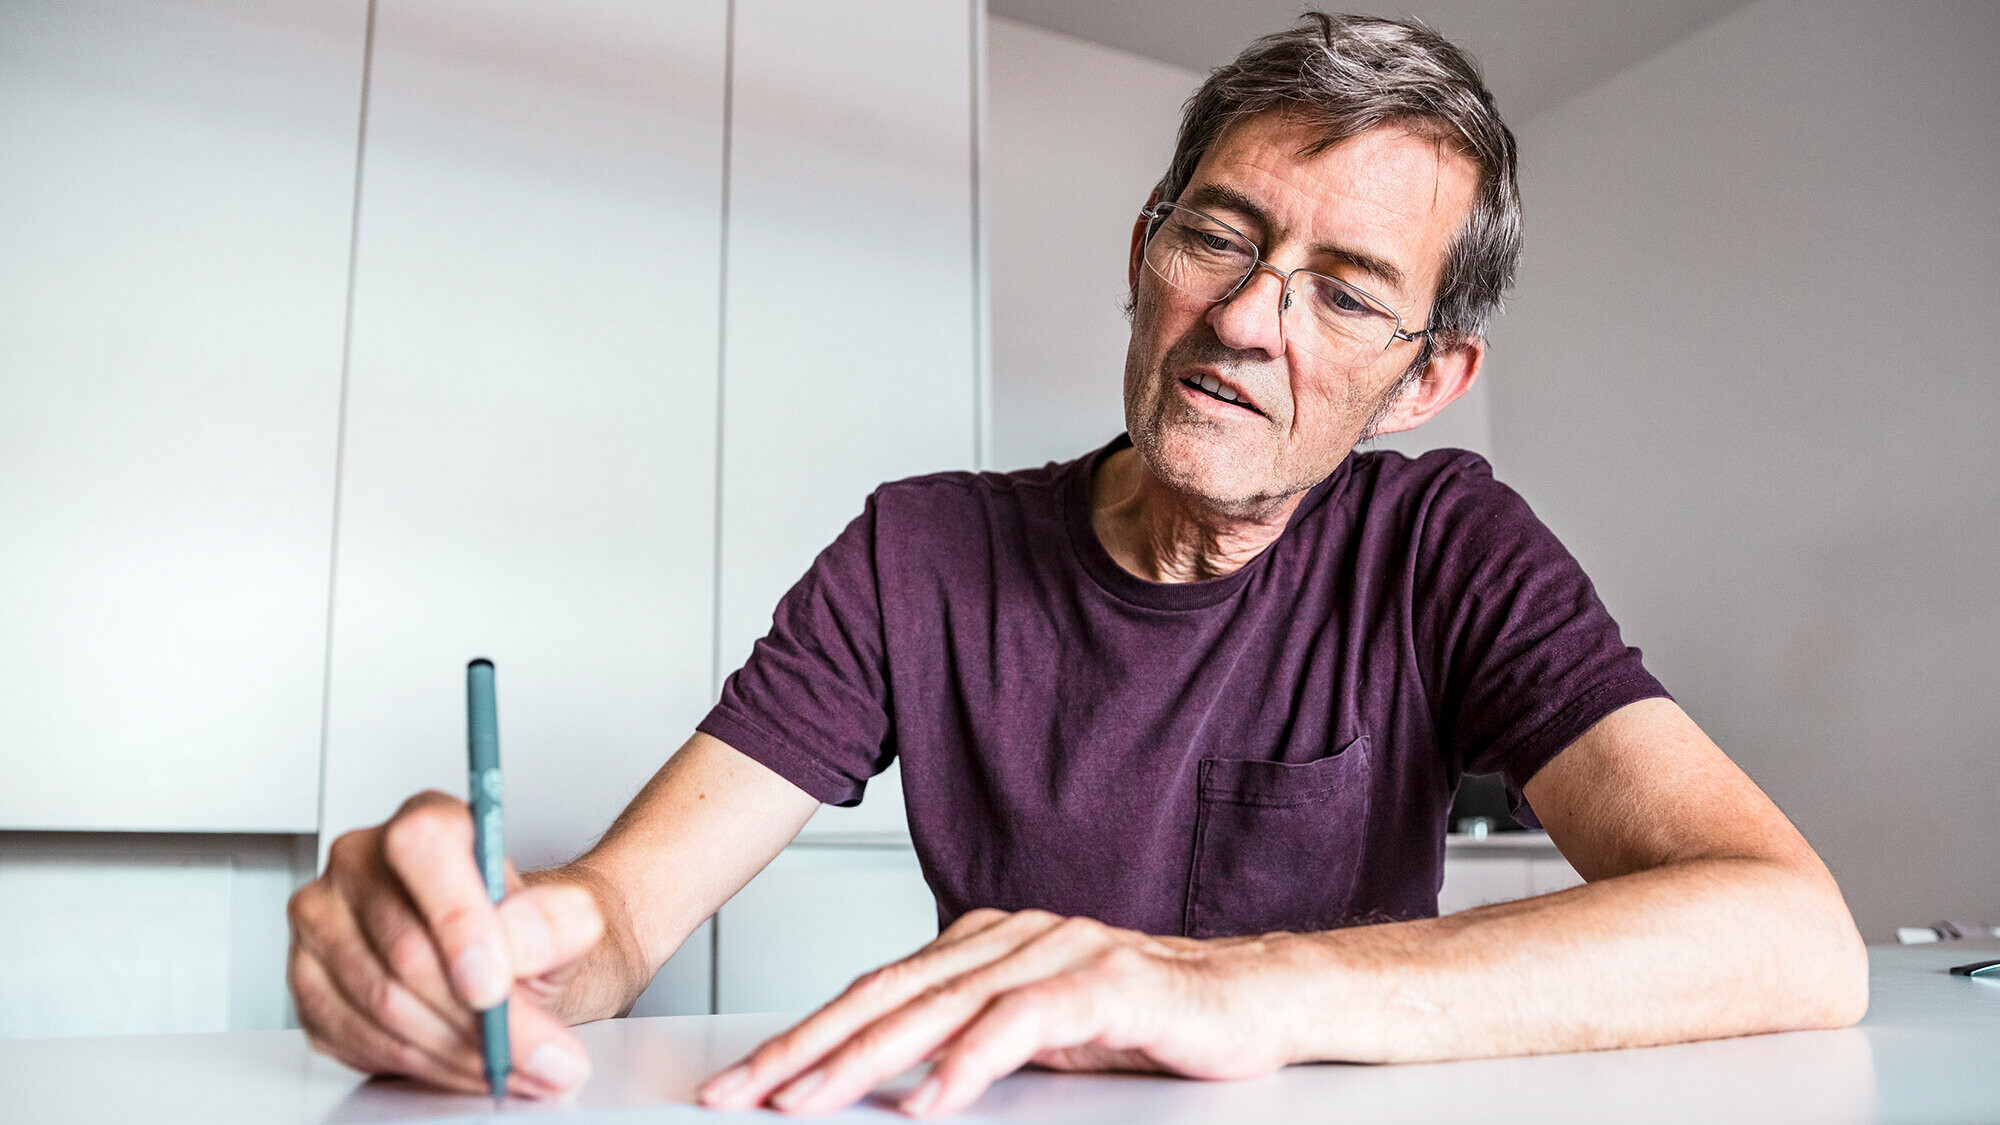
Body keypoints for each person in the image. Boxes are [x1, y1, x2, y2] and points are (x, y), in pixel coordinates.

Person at [286, 12, 1867, 1118]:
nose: (1249, 317)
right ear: (1143, 252)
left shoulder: (1444, 544)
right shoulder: (920, 547)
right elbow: (622, 921)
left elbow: (1789, 932)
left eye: (1342, 290)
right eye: (1220, 235)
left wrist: (1228, 991)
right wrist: (485, 959)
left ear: (1426, 378)